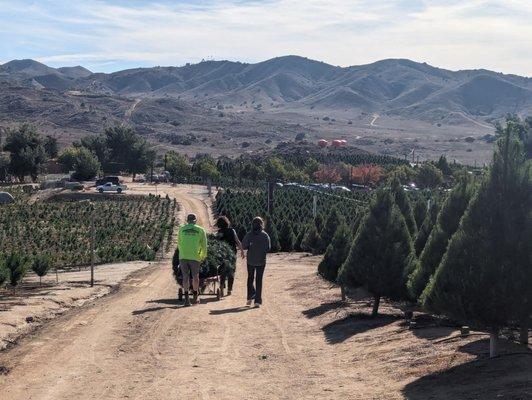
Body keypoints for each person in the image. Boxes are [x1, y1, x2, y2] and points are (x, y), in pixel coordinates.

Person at [177, 213, 207, 306]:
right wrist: (202, 256)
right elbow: (204, 246)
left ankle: (186, 300)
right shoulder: (201, 230)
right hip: (194, 257)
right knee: (195, 277)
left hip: (183, 256)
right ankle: (195, 297)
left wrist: (182, 253)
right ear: (195, 221)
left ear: (187, 220)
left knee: (185, 277)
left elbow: (179, 243)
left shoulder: (181, 229)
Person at [242, 217, 271, 308]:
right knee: (259, 280)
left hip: (250, 260)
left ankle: (249, 298)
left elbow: (244, 246)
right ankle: (257, 301)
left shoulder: (249, 235)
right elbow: (268, 248)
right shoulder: (265, 235)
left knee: (250, 279)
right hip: (261, 261)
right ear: (261, 224)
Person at [215, 216, 245, 295]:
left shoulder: (219, 232)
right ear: (227, 222)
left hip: (222, 254)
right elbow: (237, 241)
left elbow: (217, 244)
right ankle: (229, 290)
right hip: (232, 254)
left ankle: (221, 285)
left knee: (223, 270)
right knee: (231, 271)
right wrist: (242, 250)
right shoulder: (232, 230)